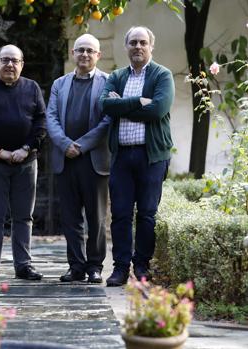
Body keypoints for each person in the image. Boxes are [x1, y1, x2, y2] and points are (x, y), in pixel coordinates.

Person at [99, 26, 174, 286]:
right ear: (126, 46)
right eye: (133, 42)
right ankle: (120, 268)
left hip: (151, 157)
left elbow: (157, 110)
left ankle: (141, 266)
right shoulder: (117, 76)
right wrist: (139, 101)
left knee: (147, 214)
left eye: (143, 42)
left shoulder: (162, 75)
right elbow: (105, 105)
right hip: (121, 157)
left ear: (151, 46)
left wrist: (123, 104)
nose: (138, 47)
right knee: (120, 214)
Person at [0, 44, 46, 280]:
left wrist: (26, 149)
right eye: (5, 60)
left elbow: (41, 121)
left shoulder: (32, 88)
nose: (10, 65)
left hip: (26, 162)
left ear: (22, 64)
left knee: (24, 216)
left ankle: (23, 265)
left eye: (15, 60)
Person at [46, 34, 110, 284]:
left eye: (90, 51)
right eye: (80, 50)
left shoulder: (108, 82)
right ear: (73, 53)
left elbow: (107, 121)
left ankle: (94, 266)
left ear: (98, 55)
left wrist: (81, 146)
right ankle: (76, 266)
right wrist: (64, 144)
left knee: (96, 217)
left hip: (93, 159)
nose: (85, 54)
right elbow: (51, 117)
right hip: (66, 159)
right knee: (70, 218)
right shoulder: (59, 84)